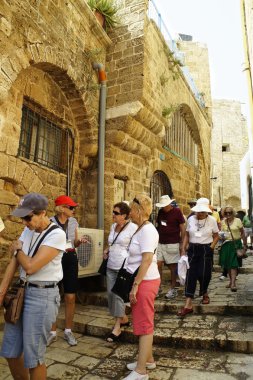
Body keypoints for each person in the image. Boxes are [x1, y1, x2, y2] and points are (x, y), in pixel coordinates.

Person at [0, 193, 66, 380]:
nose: (24, 222)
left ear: (43, 213)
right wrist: (2, 291)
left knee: (33, 358)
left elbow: (29, 266)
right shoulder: (28, 230)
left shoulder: (57, 234)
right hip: (22, 292)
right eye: (22, 218)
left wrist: (18, 248)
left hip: (42, 297)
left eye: (28, 217)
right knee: (11, 351)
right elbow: (14, 263)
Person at [123, 194, 160, 380]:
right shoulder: (141, 228)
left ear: (139, 210)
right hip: (143, 280)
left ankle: (141, 371)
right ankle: (148, 360)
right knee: (142, 321)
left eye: (131, 209)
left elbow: (146, 260)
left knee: (145, 324)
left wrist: (135, 286)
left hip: (145, 281)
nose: (129, 213)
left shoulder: (147, 230)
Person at [47, 195, 87, 346]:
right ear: (62, 208)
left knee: (70, 296)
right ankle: (52, 332)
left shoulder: (74, 222)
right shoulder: (49, 222)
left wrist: (79, 241)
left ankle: (68, 331)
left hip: (70, 259)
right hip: (54, 260)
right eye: (71, 207)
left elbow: (74, 243)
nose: (74, 210)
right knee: (53, 296)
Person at [178, 198, 219, 317]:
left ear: (207, 212)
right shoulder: (191, 219)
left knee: (205, 274)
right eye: (198, 211)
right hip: (192, 249)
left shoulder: (211, 220)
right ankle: (188, 304)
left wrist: (211, 247)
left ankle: (204, 292)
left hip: (206, 249)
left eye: (202, 212)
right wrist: (183, 247)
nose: (199, 214)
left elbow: (216, 236)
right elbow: (186, 234)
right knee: (191, 274)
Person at [104, 202, 137, 342]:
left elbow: (135, 247)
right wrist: (106, 249)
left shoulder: (133, 228)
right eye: (113, 212)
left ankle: (117, 327)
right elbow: (112, 243)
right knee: (110, 294)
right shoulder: (112, 226)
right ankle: (123, 318)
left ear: (124, 215)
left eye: (116, 213)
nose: (113, 215)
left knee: (117, 295)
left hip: (123, 266)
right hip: (110, 264)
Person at [156, 195, 185, 299]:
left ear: (169, 203)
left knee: (173, 267)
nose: (163, 207)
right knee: (158, 264)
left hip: (173, 243)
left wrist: (182, 243)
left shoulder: (177, 211)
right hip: (160, 243)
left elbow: (182, 227)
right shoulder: (160, 212)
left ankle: (173, 288)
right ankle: (158, 287)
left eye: (165, 205)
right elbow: (159, 225)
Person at [219, 206, 247, 291]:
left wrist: (244, 245)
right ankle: (231, 281)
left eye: (230, 212)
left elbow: (242, 232)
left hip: (236, 244)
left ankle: (233, 283)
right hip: (226, 244)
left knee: (233, 264)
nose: (228, 214)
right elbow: (222, 234)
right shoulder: (223, 222)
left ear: (233, 213)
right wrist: (221, 236)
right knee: (228, 264)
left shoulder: (237, 221)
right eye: (226, 213)